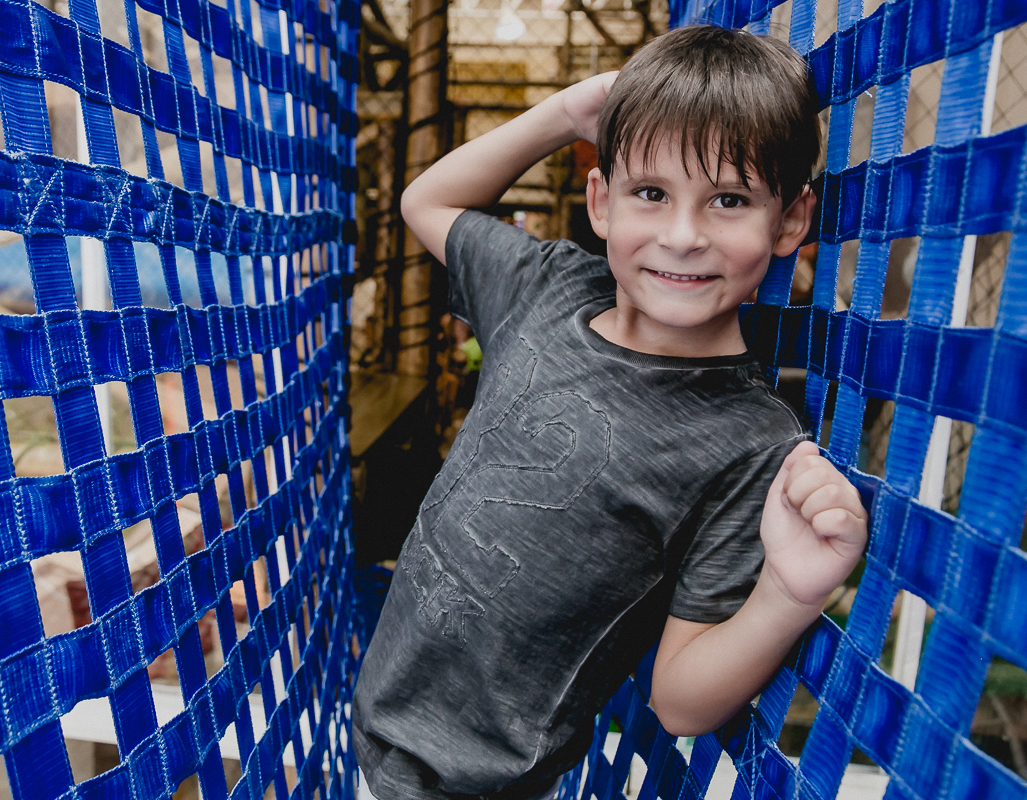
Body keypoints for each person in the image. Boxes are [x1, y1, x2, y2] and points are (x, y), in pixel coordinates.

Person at [352, 25, 869, 800]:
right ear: (601, 199)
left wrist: (787, 596)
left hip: (482, 785)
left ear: (790, 221)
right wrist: (567, 113)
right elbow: (427, 200)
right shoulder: (549, 289)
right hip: (375, 729)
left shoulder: (750, 440)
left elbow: (680, 701)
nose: (682, 236)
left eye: (729, 200)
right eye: (650, 193)